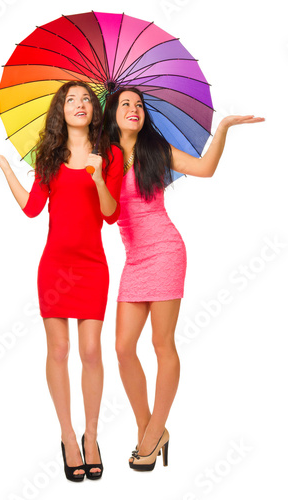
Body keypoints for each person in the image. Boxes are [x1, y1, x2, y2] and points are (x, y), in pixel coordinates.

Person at [0, 81, 124, 482]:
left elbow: (111, 216)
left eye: (86, 99)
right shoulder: (49, 155)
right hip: (55, 266)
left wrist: (100, 177)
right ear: (60, 110)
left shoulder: (111, 155)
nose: (80, 104)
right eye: (71, 99)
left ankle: (92, 436)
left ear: (95, 109)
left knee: (90, 351)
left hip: (93, 266)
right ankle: (68, 437)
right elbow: (33, 209)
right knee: (59, 349)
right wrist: (4, 165)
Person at [103, 87, 264, 472]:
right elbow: (102, 210)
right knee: (124, 349)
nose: (133, 109)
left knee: (162, 343)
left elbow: (205, 169)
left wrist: (223, 126)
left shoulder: (155, 150)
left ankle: (155, 429)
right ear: (112, 114)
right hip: (134, 259)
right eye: (125, 104)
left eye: (139, 105)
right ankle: (151, 428)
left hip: (165, 251)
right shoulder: (103, 158)